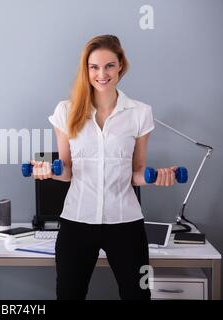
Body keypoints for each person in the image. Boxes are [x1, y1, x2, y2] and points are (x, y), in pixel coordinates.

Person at [31, 35, 177, 300]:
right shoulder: (66, 110)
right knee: (68, 296)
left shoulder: (140, 112)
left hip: (126, 223)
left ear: (120, 65)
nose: (102, 74)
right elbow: (66, 171)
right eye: (94, 67)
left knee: (139, 295)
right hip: (77, 221)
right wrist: (49, 171)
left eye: (109, 65)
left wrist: (156, 177)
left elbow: (137, 173)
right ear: (85, 69)